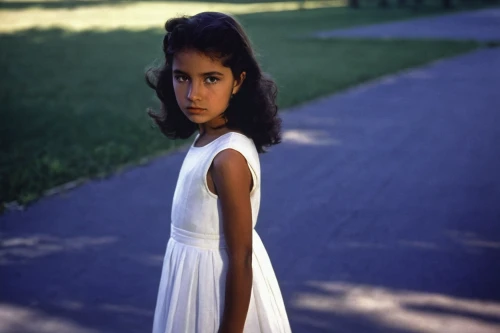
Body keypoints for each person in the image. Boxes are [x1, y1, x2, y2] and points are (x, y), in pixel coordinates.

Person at [145, 11, 291, 333]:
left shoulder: (228, 157)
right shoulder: (208, 136)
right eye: (182, 77)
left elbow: (240, 259)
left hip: (214, 292)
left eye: (211, 78)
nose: (193, 93)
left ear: (238, 81)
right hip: (189, 280)